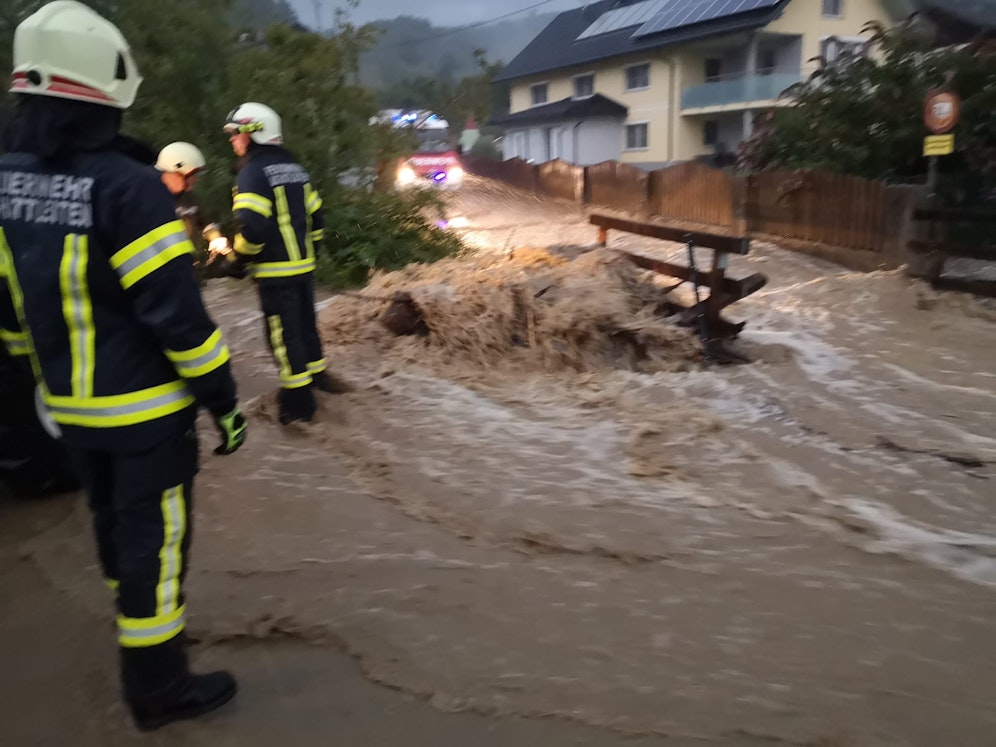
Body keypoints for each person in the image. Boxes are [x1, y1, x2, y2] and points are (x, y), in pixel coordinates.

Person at [0, 0, 247, 730]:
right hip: (146, 414)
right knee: (155, 542)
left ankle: (138, 632)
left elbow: (10, 308)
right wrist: (224, 401)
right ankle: (159, 688)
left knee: (112, 529)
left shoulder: (6, 179)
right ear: (101, 95)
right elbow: (178, 318)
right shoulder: (129, 186)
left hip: (68, 411)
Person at [223, 101, 349, 425]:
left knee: (283, 335)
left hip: (275, 273)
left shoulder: (252, 173)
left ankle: (298, 405)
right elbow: (316, 214)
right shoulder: (295, 169)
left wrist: (238, 258)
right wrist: (313, 250)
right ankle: (319, 378)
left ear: (254, 132)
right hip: (303, 268)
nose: (233, 140)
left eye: (235, 133)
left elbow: (252, 226)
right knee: (305, 326)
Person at [155, 141, 245, 278]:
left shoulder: (189, 198)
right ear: (176, 172)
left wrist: (216, 238)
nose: (195, 180)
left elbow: (205, 221)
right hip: (161, 274)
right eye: (192, 175)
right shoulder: (151, 198)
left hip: (187, 270)